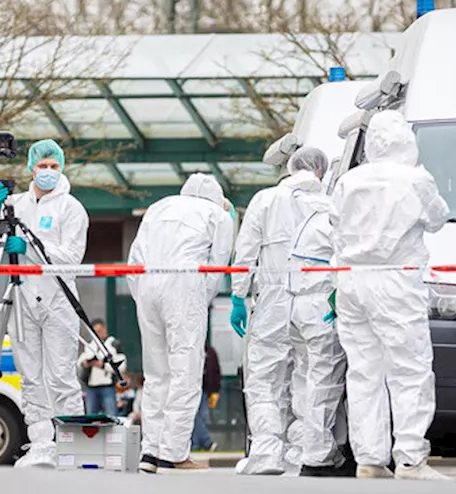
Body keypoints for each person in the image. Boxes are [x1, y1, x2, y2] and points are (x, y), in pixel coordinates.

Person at [329, 110, 450, 481]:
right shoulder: (416, 179)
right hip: (396, 281)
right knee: (409, 370)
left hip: (351, 281)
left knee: (364, 371)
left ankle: (370, 459)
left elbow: (334, 225)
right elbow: (439, 218)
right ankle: (411, 458)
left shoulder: (349, 180)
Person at [0, 138, 89, 468]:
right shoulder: (16, 204)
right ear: (31, 168)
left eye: (54, 166)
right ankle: (40, 443)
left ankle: (72, 445)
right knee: (31, 377)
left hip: (58, 300)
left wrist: (28, 245)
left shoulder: (71, 208)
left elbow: (71, 257)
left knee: (61, 376)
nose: (48, 172)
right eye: (42, 166)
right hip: (21, 297)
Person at [231, 146, 336, 476]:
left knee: (264, 379)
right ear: (320, 171)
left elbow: (245, 251)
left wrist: (238, 296)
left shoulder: (265, 200)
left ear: (290, 168)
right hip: (315, 302)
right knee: (311, 376)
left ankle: (266, 452)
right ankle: (303, 451)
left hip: (273, 302)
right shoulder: (329, 204)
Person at [125, 172, 233, 473]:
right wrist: (202, 299)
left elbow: (134, 258)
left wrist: (142, 296)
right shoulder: (218, 215)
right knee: (185, 371)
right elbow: (217, 264)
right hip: (185, 286)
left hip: (148, 283)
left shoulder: (159, 207)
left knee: (156, 373)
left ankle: (150, 451)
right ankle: (174, 453)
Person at [276, 147, 351, 477]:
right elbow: (342, 264)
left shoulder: (300, 219)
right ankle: (318, 455)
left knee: (304, 382)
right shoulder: (328, 219)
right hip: (319, 310)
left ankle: (306, 448)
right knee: (325, 381)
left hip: (295, 309)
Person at [78, 319, 126, 416]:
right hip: (91, 386)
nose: (97, 334)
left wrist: (103, 365)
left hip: (107, 385)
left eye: (99, 331)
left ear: (105, 329)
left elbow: (122, 365)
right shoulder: (90, 345)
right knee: (90, 415)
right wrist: (85, 363)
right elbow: (80, 360)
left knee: (111, 414)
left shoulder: (113, 344)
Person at [190, 343, 221, 452]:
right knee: (195, 416)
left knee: (198, 416)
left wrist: (215, 389)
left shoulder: (210, 352)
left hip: (204, 389)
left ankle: (196, 443)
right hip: (191, 388)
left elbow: (215, 371)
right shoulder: (190, 350)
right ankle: (204, 442)